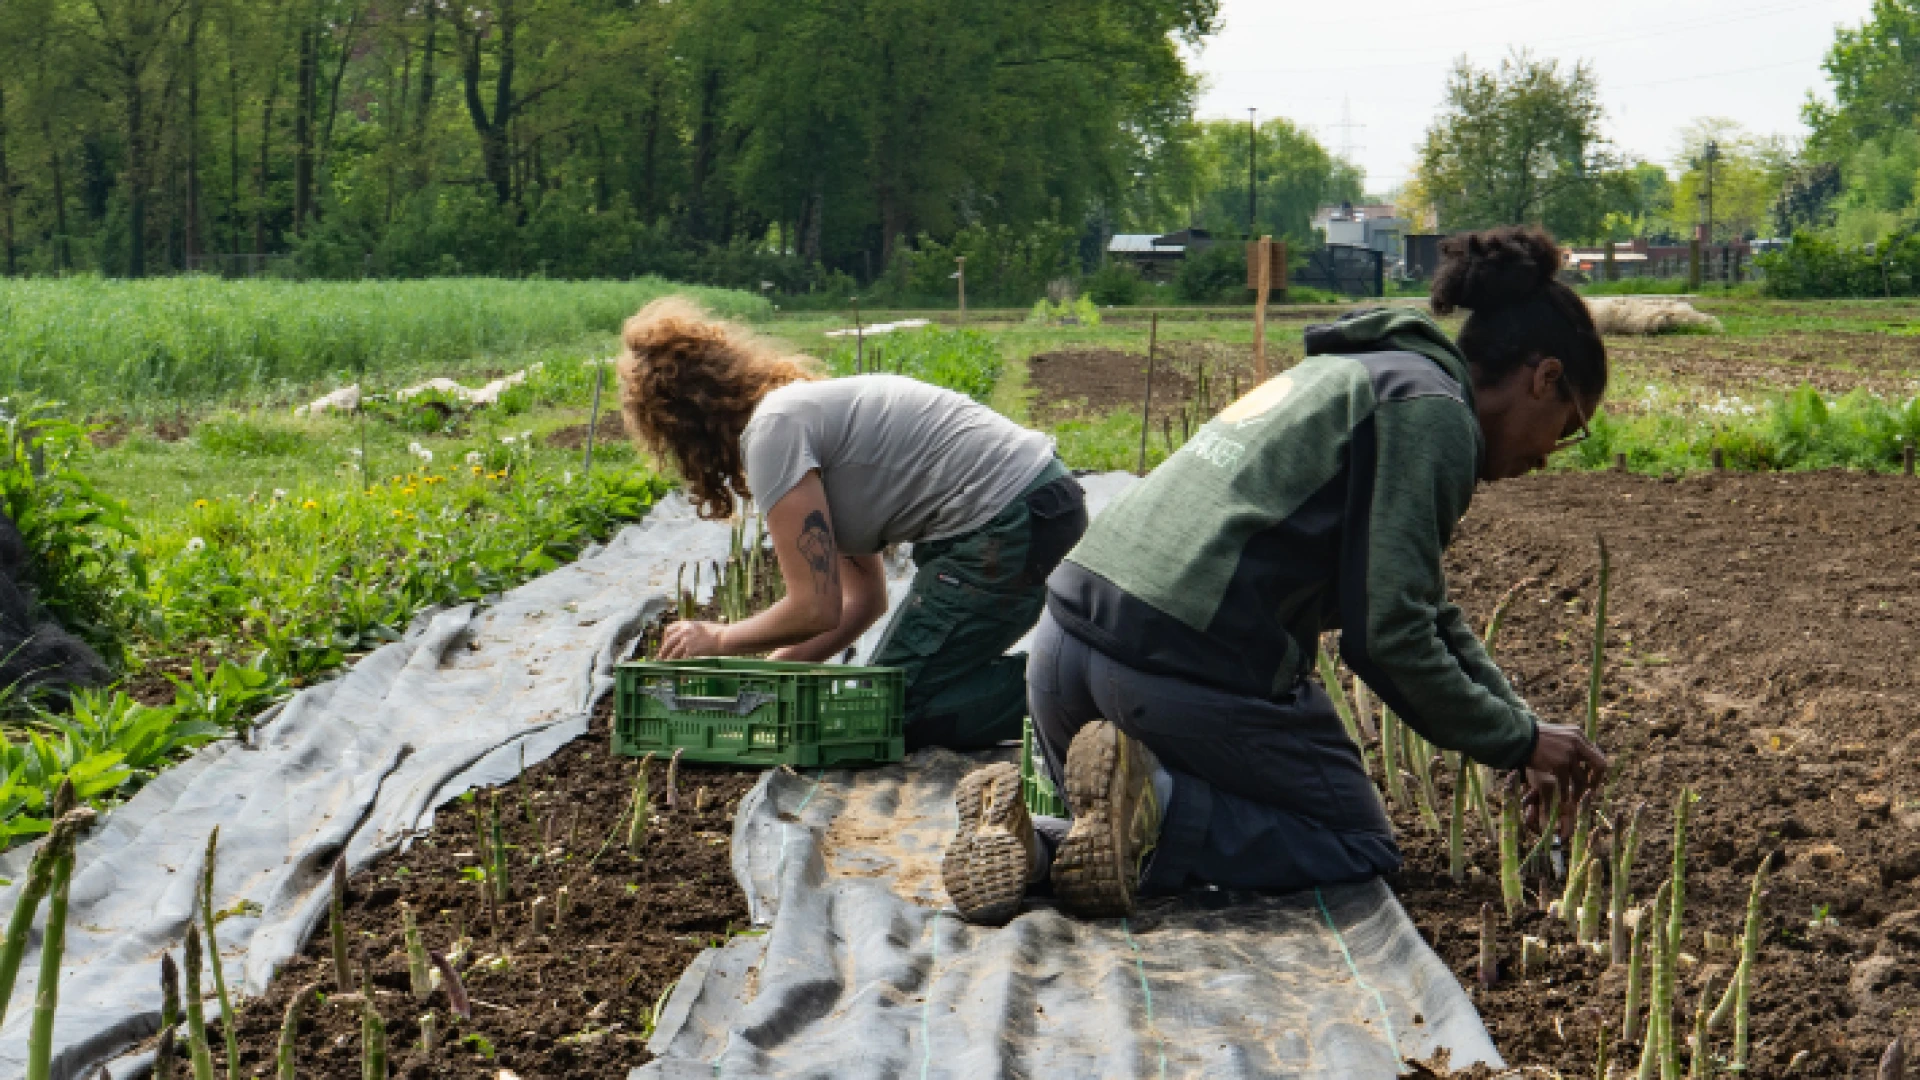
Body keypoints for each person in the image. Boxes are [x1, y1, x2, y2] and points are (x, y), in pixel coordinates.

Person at [941, 226, 1611, 925]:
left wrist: (1523, 730)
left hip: (1061, 655)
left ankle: (1032, 846)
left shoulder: (1362, 372)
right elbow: (1390, 638)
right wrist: (1520, 740)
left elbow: (1427, 609)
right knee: (1353, 842)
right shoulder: (1433, 412)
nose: (1547, 458)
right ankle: (1153, 811)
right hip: (1168, 665)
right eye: (1567, 430)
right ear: (1545, 378)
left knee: (1107, 831)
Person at [617, 298, 1087, 750]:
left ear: (679, 425)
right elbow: (860, 602)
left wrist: (719, 638)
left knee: (896, 710)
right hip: (1036, 507)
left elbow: (814, 609)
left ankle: (1091, 692)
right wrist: (766, 690)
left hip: (1006, 523)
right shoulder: (795, 420)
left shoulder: (773, 434)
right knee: (897, 697)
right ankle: (1079, 682)